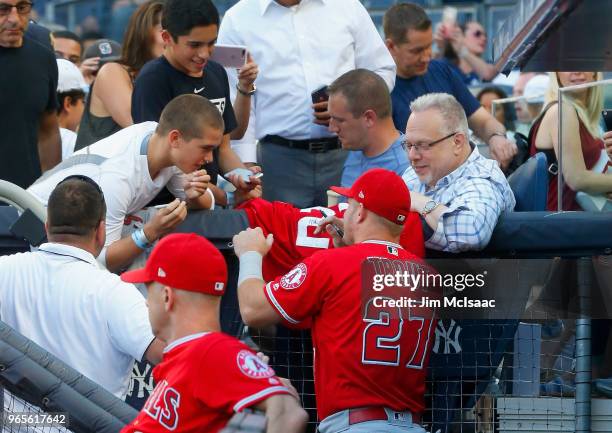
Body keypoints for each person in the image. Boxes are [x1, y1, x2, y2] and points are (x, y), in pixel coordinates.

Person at [233, 168, 435, 432]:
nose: (342, 212)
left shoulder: (331, 265)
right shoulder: (427, 276)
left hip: (354, 425)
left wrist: (250, 254)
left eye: (348, 206)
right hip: (412, 425)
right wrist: (350, 246)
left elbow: (252, 309)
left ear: (360, 212)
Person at [119, 233, 308, 433]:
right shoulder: (192, 355)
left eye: (150, 291)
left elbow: (289, 414)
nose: (147, 302)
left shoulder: (211, 352)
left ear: (167, 297)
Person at [218, 0, 396, 208]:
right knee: (282, 237)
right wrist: (245, 160)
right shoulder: (237, 19)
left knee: (350, 236)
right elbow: (233, 92)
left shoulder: (348, 7)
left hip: (349, 155)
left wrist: (349, 105)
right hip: (278, 163)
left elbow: (381, 70)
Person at [0, 176, 163, 398]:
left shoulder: (5, 270)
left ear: (47, 226)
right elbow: (169, 355)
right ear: (101, 231)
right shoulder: (114, 293)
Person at [28, 94, 221, 272]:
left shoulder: (163, 143)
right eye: (206, 148)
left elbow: (206, 205)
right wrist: (151, 232)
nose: (210, 158)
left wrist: (195, 194)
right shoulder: (117, 176)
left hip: (66, 224)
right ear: (175, 138)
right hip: (30, 222)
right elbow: (97, 262)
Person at [132, 0, 259, 204]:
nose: (204, 54)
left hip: (211, 200)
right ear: (167, 38)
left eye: (211, 43)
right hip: (169, 206)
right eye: (194, 45)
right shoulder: (153, 80)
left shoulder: (216, 72)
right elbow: (167, 162)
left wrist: (244, 178)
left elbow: (224, 148)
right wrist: (227, 197)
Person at [383, 3, 517, 171]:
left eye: (428, 47)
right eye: (416, 51)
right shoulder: (381, 91)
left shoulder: (441, 71)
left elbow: (483, 122)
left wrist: (496, 137)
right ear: (391, 47)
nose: (426, 57)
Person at [402, 93, 515, 252]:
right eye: (408, 145)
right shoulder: (416, 172)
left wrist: (420, 203)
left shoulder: (483, 179)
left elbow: (471, 233)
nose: (412, 155)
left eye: (423, 145)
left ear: (457, 142)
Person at [75, 1, 164, 150]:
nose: (173, 38)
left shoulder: (168, 78)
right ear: (144, 33)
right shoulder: (112, 72)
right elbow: (144, 132)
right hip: (100, 171)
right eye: (164, 31)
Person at [0, 0, 61, 188]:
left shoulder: (44, 58)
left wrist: (50, 188)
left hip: (26, 197)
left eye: (22, 8)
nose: (14, 19)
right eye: (3, 9)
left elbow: (48, 130)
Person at [529, 72, 611, 211]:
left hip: (580, 217)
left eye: (583, 63)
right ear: (556, 75)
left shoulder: (584, 116)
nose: (577, 71)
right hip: (563, 221)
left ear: (595, 73)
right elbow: (577, 179)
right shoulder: (562, 110)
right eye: (567, 65)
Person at [327, 69, 409, 189]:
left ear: (369, 118)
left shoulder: (406, 170)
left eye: (339, 120)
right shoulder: (356, 148)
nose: (332, 128)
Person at [436, 20, 498, 84]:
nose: (484, 38)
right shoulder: (448, 66)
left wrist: (462, 51)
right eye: (477, 34)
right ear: (462, 36)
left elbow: (488, 74)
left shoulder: (488, 65)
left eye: (485, 35)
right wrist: (440, 45)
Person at [56, 59, 87, 160]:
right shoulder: (78, 145)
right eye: (83, 102)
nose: (84, 109)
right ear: (68, 103)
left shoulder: (20, 136)